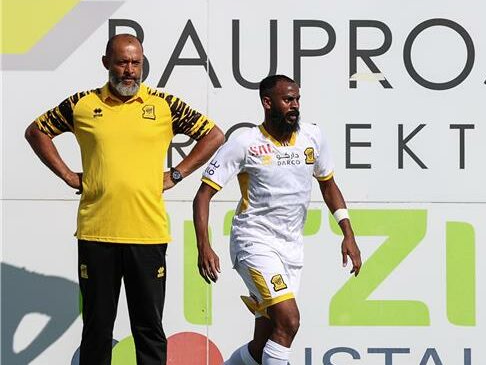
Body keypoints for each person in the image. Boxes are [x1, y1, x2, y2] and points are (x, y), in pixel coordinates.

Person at [24, 33, 225, 365]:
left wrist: (176, 174)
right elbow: (36, 132)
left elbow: (214, 135)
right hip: (97, 234)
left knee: (149, 330)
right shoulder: (82, 104)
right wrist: (68, 175)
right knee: (97, 330)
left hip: (147, 235)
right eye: (122, 62)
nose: (130, 70)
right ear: (107, 63)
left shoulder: (163, 105)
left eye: (136, 63)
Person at [193, 74, 362, 365]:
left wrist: (348, 233)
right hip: (253, 242)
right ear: (267, 102)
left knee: (264, 341)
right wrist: (203, 245)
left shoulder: (312, 136)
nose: (295, 105)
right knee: (289, 320)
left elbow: (328, 185)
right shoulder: (245, 142)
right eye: (287, 100)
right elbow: (202, 196)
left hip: (291, 248)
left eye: (297, 99)